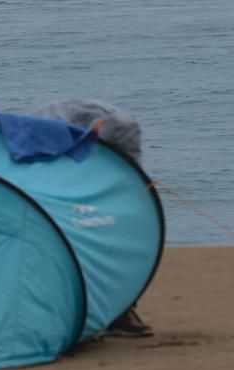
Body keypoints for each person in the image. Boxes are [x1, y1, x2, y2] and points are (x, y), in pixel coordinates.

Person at [31, 98, 153, 338]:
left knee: (115, 245)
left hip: (93, 183)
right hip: (56, 189)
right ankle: (87, 316)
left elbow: (130, 173)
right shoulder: (48, 137)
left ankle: (121, 312)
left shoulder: (123, 134)